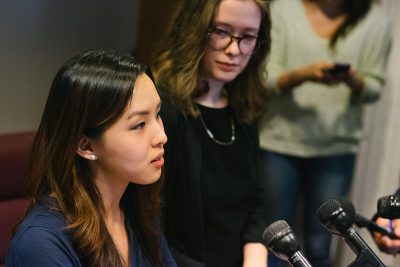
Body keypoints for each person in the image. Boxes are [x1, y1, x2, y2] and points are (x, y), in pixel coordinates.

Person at [6, 49, 176, 267]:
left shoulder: (137, 206)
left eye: (158, 114)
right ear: (86, 146)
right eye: (139, 125)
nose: (162, 136)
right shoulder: (41, 243)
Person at [258, 0, 391, 266]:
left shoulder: (376, 22)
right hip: (279, 142)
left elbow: (374, 86)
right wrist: (304, 75)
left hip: (336, 149)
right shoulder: (283, 10)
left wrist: (355, 81)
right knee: (272, 243)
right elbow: (264, 78)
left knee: (320, 245)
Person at [152, 0, 271, 266]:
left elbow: (256, 199)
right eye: (221, 32)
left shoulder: (243, 108)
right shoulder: (163, 112)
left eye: (248, 37)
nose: (234, 50)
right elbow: (150, 227)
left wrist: (256, 256)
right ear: (194, 30)